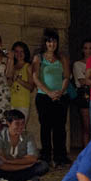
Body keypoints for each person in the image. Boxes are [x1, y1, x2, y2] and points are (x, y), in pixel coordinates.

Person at [0, 109, 49, 181]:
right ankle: (24, 180)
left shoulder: (28, 136)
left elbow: (32, 159)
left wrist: (8, 161)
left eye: (22, 123)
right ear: (8, 123)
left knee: (43, 166)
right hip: (6, 169)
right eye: (17, 124)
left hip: (18, 169)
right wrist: (26, 165)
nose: (20, 127)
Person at [32, 29, 71, 167]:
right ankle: (46, 156)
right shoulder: (38, 58)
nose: (52, 44)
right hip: (44, 97)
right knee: (45, 127)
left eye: (54, 41)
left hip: (61, 97)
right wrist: (49, 92)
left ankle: (60, 156)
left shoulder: (62, 58)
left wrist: (61, 91)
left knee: (60, 128)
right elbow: (35, 77)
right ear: (45, 43)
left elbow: (66, 77)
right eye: (49, 41)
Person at [72, 39, 91, 148]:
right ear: (82, 50)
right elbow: (82, 81)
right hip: (85, 95)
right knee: (87, 126)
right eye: (86, 48)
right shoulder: (78, 64)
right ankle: (87, 151)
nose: (88, 51)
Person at [10, 41, 34, 123]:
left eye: (21, 51)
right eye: (16, 51)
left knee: (20, 128)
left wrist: (18, 80)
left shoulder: (28, 66)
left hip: (22, 103)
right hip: (10, 102)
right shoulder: (12, 66)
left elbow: (31, 87)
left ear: (25, 53)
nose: (19, 54)